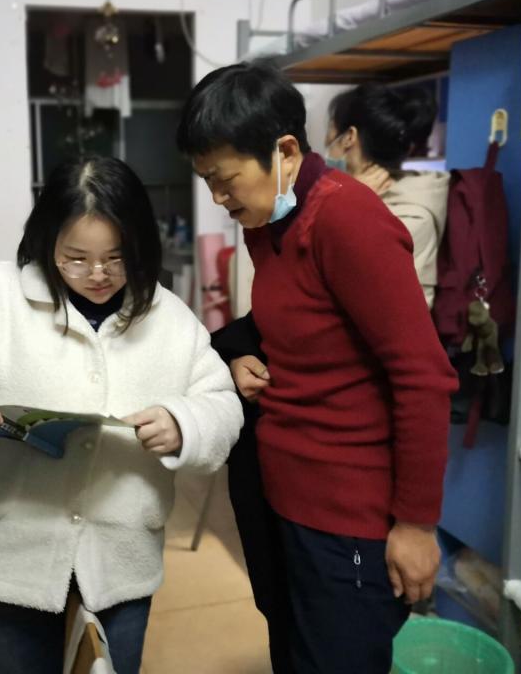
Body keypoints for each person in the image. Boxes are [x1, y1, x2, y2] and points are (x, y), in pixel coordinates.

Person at [0, 156, 242, 674]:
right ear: (47, 242)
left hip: (120, 558)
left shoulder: (169, 318)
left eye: (117, 257)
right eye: (76, 258)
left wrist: (184, 423)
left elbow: (220, 400)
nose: (98, 274)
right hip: (3, 558)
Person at [178, 62, 457, 673]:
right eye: (206, 182)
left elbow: (422, 376)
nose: (219, 199)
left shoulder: (346, 219)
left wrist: (416, 525)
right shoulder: (270, 222)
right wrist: (238, 354)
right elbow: (295, 325)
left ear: (283, 151)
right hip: (285, 494)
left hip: (346, 515)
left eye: (224, 180)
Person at [324, 82, 450, 307]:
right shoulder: (339, 192)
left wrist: (350, 204)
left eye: (331, 134)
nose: (326, 145)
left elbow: (336, 287)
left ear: (349, 138)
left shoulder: (409, 216)